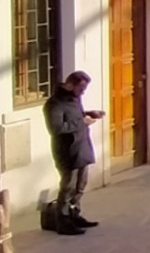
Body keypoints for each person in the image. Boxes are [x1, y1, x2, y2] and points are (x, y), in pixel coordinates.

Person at [42, 71, 104, 234]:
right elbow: (56, 128)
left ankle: (74, 214)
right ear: (70, 85)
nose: (83, 92)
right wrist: (82, 122)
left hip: (82, 146)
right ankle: (63, 221)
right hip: (67, 151)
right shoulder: (54, 104)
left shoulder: (75, 99)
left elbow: (76, 118)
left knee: (80, 186)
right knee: (68, 187)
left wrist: (90, 114)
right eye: (81, 88)